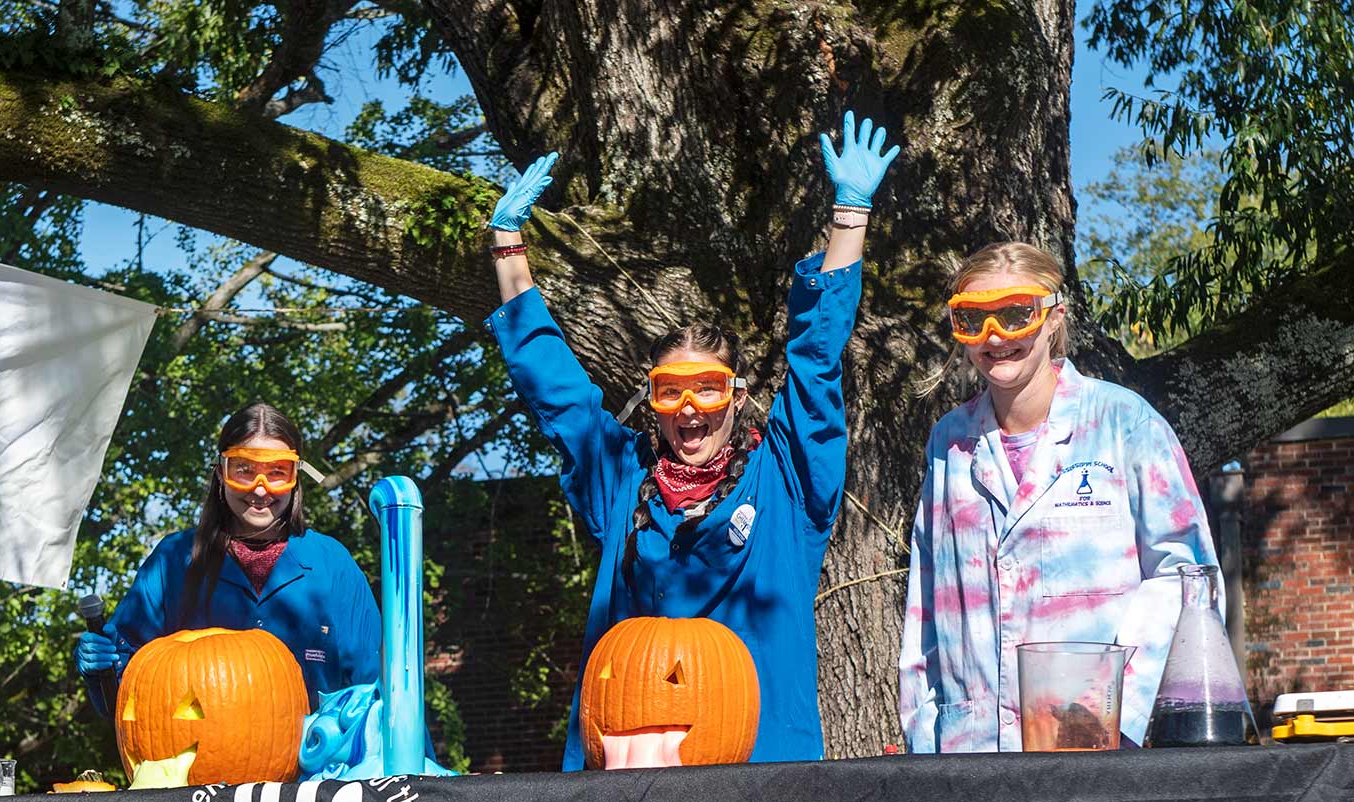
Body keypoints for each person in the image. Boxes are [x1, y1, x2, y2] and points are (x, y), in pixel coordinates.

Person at [484, 113, 898, 768]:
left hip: (762, 789)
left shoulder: (787, 481)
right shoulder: (623, 480)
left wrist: (849, 217)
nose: (689, 410)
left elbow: (816, 363)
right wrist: (509, 246)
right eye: (670, 392)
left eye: (707, 390)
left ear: (737, 398)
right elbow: (559, 398)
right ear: (652, 401)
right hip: (626, 785)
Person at [898, 243, 1219, 753]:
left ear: (1054, 319)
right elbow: (926, 607)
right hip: (968, 758)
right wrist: (922, 736)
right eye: (972, 319)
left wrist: (1116, 710)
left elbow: (1186, 579)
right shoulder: (949, 441)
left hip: (1091, 751)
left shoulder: (1124, 423)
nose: (995, 336)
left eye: (1015, 314)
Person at [77, 405, 381, 725]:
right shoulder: (173, 561)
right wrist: (102, 669)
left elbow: (377, 695)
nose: (260, 488)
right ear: (221, 473)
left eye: (277, 471)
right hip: (199, 766)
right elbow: (123, 697)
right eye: (244, 470)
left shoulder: (333, 564)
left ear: (295, 477)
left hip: (317, 770)